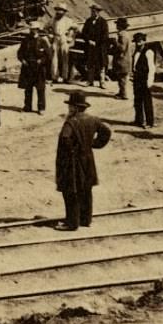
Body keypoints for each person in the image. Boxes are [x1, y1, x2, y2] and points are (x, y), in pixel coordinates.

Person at [55, 90, 111, 230]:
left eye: (70, 106)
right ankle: (86, 219)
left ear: (74, 107)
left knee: (71, 191)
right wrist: (94, 144)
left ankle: (72, 223)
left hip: (74, 162)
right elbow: (106, 132)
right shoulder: (93, 119)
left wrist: (71, 151)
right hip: (88, 159)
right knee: (86, 189)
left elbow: (65, 139)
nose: (68, 108)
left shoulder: (71, 122)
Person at [17, 22, 50, 114]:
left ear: (38, 30)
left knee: (40, 89)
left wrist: (41, 61)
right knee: (28, 89)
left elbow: (48, 55)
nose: (33, 31)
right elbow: (20, 53)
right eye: (31, 29)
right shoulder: (25, 41)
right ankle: (27, 107)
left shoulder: (42, 41)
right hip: (28, 68)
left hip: (39, 69)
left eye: (35, 29)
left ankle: (41, 108)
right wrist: (22, 60)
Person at [81, 4, 110, 89]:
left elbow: (105, 35)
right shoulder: (88, 21)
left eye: (94, 11)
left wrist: (96, 42)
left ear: (98, 12)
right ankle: (90, 81)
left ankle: (102, 82)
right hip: (90, 47)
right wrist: (88, 40)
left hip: (100, 47)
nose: (93, 13)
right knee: (90, 64)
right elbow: (84, 32)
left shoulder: (103, 22)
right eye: (92, 11)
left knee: (101, 65)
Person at [131, 32, 155, 128]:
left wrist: (149, 81)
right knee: (137, 100)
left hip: (145, 79)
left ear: (144, 41)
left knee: (147, 101)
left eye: (140, 41)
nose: (138, 43)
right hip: (137, 79)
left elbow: (151, 68)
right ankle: (139, 120)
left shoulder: (149, 52)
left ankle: (150, 122)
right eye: (136, 42)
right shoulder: (136, 52)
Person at [49, 4, 74, 83]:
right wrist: (50, 34)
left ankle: (65, 77)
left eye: (61, 10)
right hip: (56, 38)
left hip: (64, 38)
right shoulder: (52, 20)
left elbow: (75, 28)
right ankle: (54, 77)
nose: (59, 12)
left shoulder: (68, 20)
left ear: (64, 12)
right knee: (54, 57)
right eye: (57, 10)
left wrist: (70, 35)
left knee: (65, 57)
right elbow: (45, 27)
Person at [111, 17, 132, 100]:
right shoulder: (126, 34)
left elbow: (121, 48)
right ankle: (121, 92)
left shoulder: (122, 35)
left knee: (121, 78)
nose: (116, 26)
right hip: (126, 59)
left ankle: (123, 94)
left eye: (117, 24)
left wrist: (114, 42)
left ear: (120, 26)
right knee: (122, 77)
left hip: (122, 60)